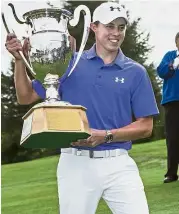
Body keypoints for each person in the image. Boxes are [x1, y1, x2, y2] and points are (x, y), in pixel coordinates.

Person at [5, 2, 159, 214]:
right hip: (75, 164)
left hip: (118, 164)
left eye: (120, 27)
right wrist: (19, 61)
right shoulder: (69, 63)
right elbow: (25, 97)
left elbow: (146, 126)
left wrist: (105, 135)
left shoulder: (136, 72)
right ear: (94, 27)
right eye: (109, 26)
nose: (116, 33)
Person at [157, 32, 179, 183]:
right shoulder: (169, 56)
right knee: (172, 138)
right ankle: (171, 173)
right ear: (176, 42)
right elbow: (162, 72)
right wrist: (172, 65)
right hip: (172, 101)